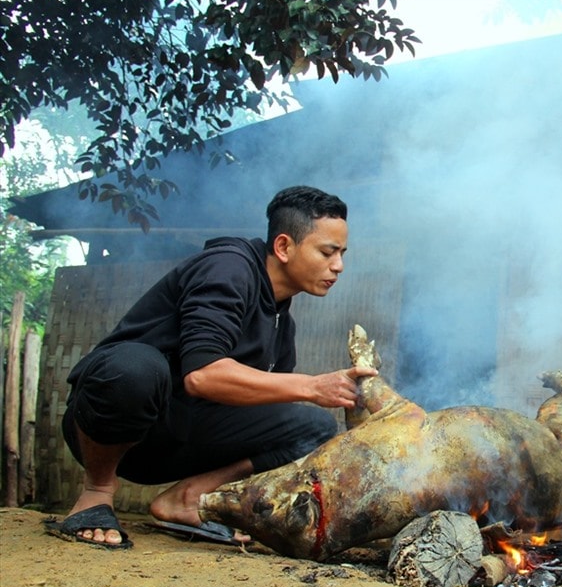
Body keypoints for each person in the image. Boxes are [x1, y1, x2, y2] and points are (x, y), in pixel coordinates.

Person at [45, 186, 378, 549]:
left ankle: (188, 500)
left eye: (342, 254)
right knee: (135, 369)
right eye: (327, 252)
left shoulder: (282, 322)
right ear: (284, 247)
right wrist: (313, 387)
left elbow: (264, 409)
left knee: (311, 427)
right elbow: (202, 375)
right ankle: (96, 493)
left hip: (178, 445)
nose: (338, 266)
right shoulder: (229, 268)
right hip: (111, 426)